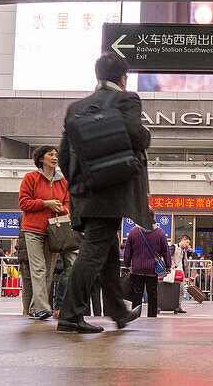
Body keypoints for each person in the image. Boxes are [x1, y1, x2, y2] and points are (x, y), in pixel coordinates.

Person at [56, 52, 151, 334]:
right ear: (123, 79)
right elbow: (138, 137)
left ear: (97, 77)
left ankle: (117, 311)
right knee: (92, 252)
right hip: (112, 193)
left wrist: (81, 183)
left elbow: (63, 155)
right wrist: (145, 135)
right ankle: (70, 315)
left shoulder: (77, 107)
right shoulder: (126, 99)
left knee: (107, 250)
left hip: (84, 192)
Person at [18, 144, 76, 321]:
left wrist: (61, 208)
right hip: (33, 230)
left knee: (48, 271)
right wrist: (46, 203)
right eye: (50, 154)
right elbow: (24, 203)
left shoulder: (63, 181)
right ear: (41, 158)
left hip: (54, 231)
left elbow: (68, 204)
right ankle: (43, 307)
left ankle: (36, 309)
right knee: (39, 269)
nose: (54, 157)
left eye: (56, 155)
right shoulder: (31, 178)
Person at [124, 218, 171, 317]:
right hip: (153, 270)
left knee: (137, 294)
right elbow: (166, 251)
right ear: (154, 218)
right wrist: (168, 265)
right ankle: (152, 317)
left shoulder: (133, 232)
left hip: (137, 269)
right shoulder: (160, 232)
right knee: (152, 294)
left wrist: (127, 264)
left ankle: (135, 316)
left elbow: (128, 251)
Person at [169, 235, 191, 313]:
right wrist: (171, 264)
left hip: (181, 272)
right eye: (187, 242)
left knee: (181, 290)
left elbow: (184, 262)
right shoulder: (174, 247)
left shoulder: (184, 251)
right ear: (182, 240)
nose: (187, 244)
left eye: (188, 243)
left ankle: (178, 306)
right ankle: (170, 305)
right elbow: (169, 256)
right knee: (172, 289)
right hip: (173, 272)